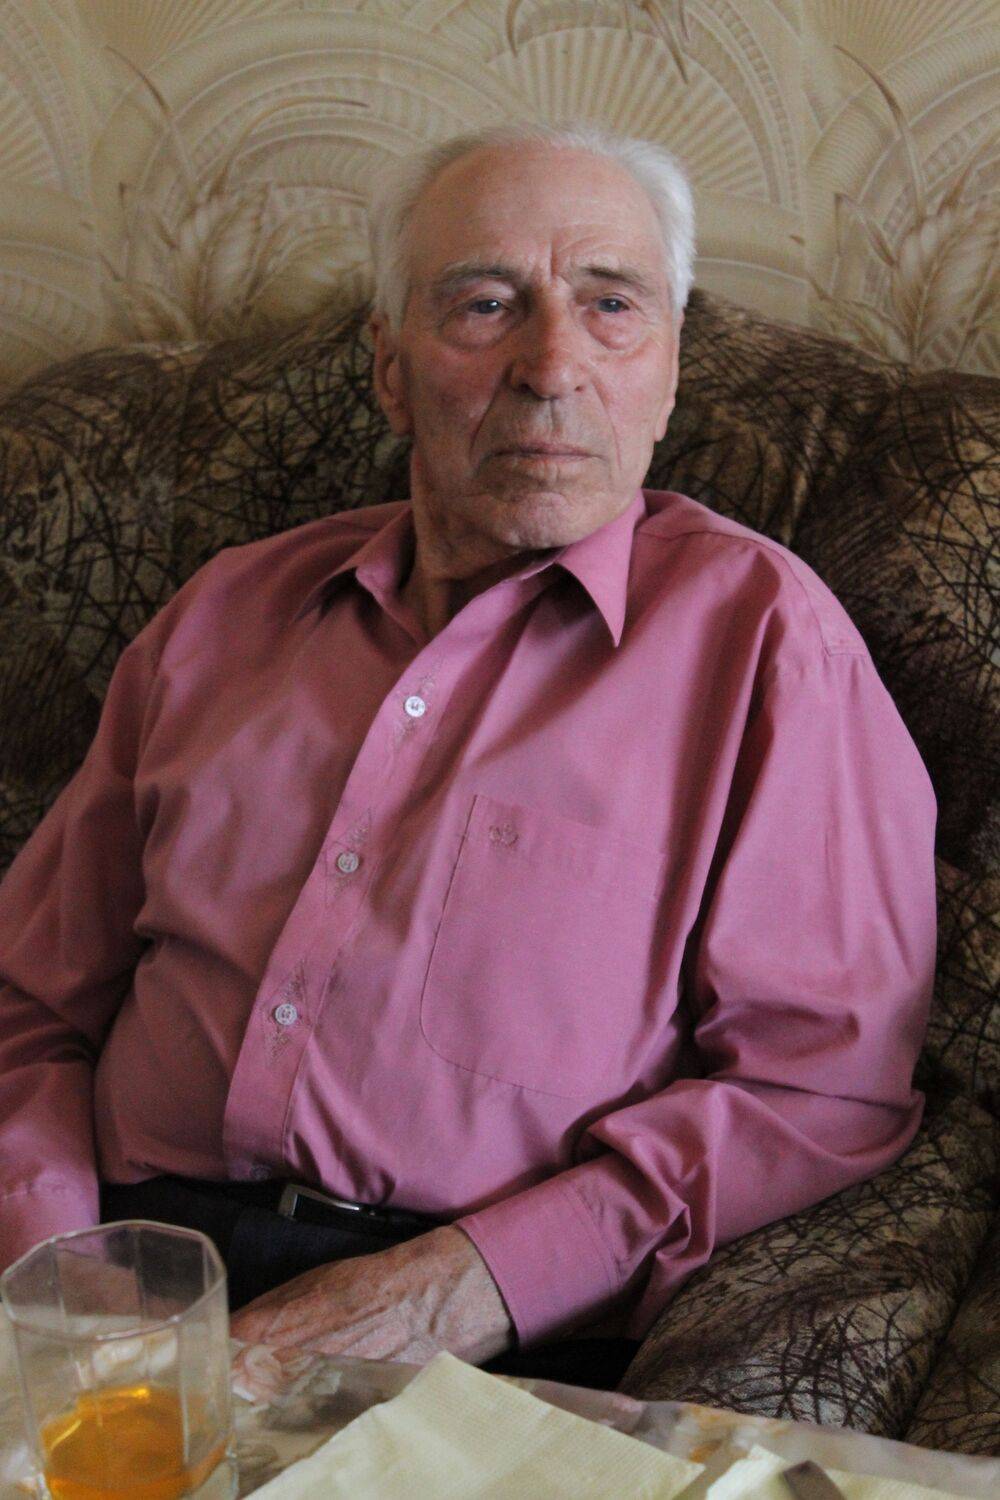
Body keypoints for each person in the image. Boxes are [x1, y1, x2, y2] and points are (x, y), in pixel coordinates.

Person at [0, 123, 937, 1390]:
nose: (550, 367)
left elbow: (824, 1093)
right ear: (389, 370)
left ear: (669, 369)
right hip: (114, 1265)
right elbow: (29, 1001)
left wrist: (464, 1290)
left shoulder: (767, 643)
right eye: (485, 305)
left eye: (611, 306)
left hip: (469, 1324)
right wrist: (55, 1276)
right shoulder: (227, 613)